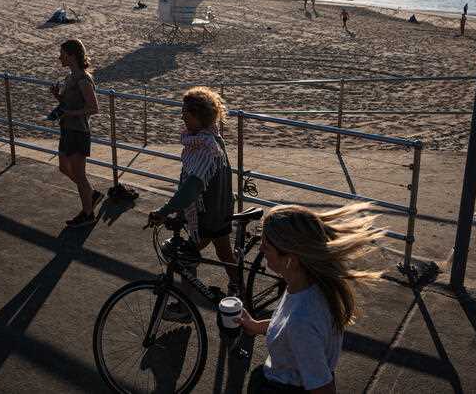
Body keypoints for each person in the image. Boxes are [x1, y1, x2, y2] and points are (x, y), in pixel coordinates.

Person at [236, 204, 384, 393]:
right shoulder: (308, 286)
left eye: (267, 245)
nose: (261, 249)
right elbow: (285, 328)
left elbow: (323, 388)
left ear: (290, 258)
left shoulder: (302, 321)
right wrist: (255, 326)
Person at [147, 87, 239, 311]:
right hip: (221, 207)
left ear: (199, 116)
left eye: (186, 114)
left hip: (209, 214)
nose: (182, 117)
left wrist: (166, 210)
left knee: (183, 255)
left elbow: (192, 188)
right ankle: (239, 287)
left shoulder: (205, 147)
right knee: (224, 250)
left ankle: (185, 308)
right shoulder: (211, 137)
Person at [49, 39, 102, 227]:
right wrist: (59, 97)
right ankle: (91, 194)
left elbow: (93, 108)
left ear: (71, 56)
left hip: (78, 131)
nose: (59, 57)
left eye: (62, 53)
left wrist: (70, 113)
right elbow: (71, 102)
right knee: (64, 167)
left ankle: (88, 214)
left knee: (79, 175)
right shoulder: (71, 77)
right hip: (67, 129)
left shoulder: (83, 79)